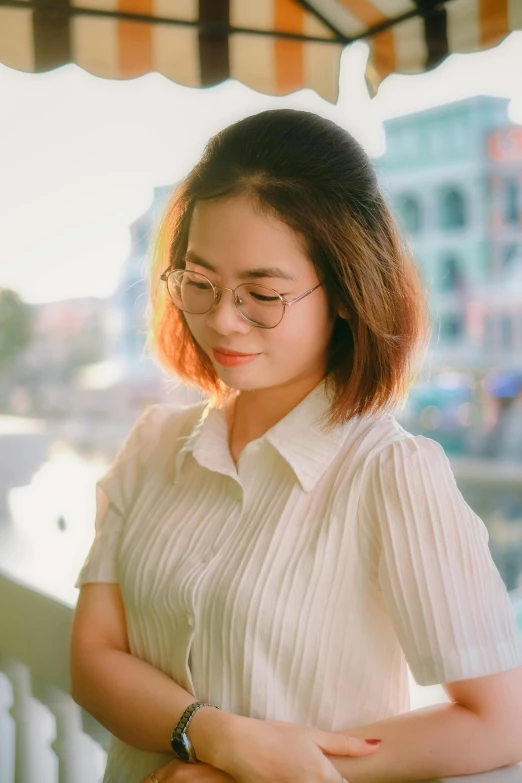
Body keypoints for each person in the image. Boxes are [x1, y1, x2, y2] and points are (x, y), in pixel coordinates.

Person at [71, 109, 522, 783]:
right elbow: (93, 655)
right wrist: (218, 740)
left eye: (262, 293)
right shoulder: (153, 445)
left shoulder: (390, 472)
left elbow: (498, 718)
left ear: (345, 292)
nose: (223, 319)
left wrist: (272, 771)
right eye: (199, 282)